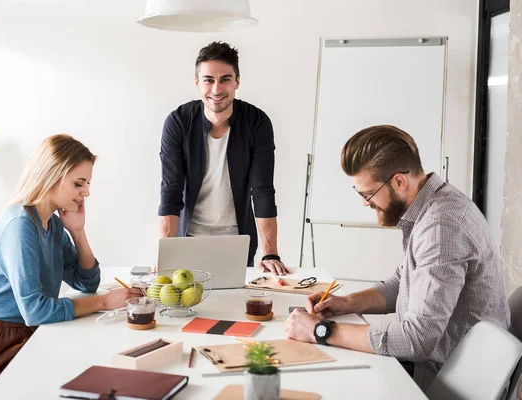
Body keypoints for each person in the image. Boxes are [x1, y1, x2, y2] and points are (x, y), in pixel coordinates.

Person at [284, 125, 510, 391]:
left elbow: (417, 339)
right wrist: (346, 303)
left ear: (399, 182)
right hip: (440, 366)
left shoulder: (442, 226)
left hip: (449, 381)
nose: (365, 203)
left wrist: (320, 331)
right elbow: (404, 281)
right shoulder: (434, 205)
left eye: (367, 194)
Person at [0, 134, 141, 383]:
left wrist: (78, 231)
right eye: (78, 183)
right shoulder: (20, 226)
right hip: (5, 341)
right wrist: (103, 302)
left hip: (30, 329)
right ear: (51, 176)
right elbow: (35, 311)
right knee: (96, 366)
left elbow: (86, 282)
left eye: (88, 184)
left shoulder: (51, 221)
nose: (86, 192)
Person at [158, 41, 290, 276]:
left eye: (225, 79)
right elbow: (171, 191)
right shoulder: (178, 122)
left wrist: (270, 253)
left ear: (237, 81)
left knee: (235, 306)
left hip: (238, 241)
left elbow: (262, 191)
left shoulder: (257, 122)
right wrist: (166, 253)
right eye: (208, 79)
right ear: (197, 82)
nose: (216, 89)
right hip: (188, 239)